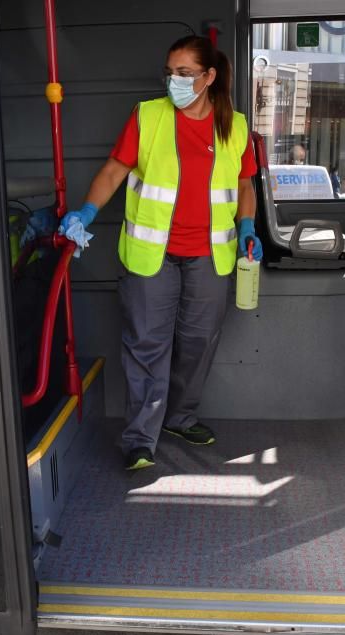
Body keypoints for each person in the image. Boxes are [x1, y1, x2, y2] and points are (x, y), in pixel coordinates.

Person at [59, 35, 261, 471]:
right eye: (170, 72)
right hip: (152, 256)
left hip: (210, 255)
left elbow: (245, 185)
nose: (175, 81)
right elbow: (115, 170)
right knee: (146, 345)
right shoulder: (148, 116)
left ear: (209, 77)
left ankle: (180, 417)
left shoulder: (236, 125)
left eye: (185, 74)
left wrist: (247, 225)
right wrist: (86, 213)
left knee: (198, 344)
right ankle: (139, 439)